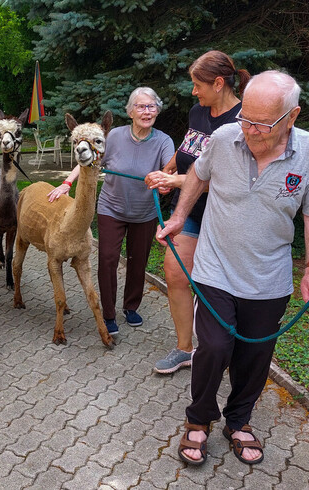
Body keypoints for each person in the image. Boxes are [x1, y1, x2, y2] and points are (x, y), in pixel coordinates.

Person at [157, 70, 309, 466]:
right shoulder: (226, 137)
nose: (250, 130)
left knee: (253, 357)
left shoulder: (308, 153)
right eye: (246, 118)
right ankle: (198, 419)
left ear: (291, 117)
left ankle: (238, 421)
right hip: (215, 269)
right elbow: (197, 175)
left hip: (269, 278)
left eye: (261, 123)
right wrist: (179, 216)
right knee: (215, 347)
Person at [145, 51, 251, 374]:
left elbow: (226, 177)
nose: (193, 91)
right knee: (175, 271)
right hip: (191, 210)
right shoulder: (198, 111)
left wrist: (175, 180)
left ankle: (230, 352)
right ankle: (184, 349)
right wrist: (166, 171)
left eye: (197, 85)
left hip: (226, 214)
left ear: (219, 84)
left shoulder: (243, 121)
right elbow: (188, 148)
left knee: (221, 285)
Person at [48, 87, 174, 333]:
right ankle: (108, 313)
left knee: (138, 262)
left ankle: (131, 306)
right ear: (130, 111)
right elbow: (89, 160)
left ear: (157, 110)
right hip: (111, 208)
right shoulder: (114, 136)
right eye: (140, 106)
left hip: (144, 212)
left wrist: (166, 181)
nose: (146, 111)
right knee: (107, 260)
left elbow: (169, 171)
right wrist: (67, 182)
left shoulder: (163, 141)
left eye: (151, 106)